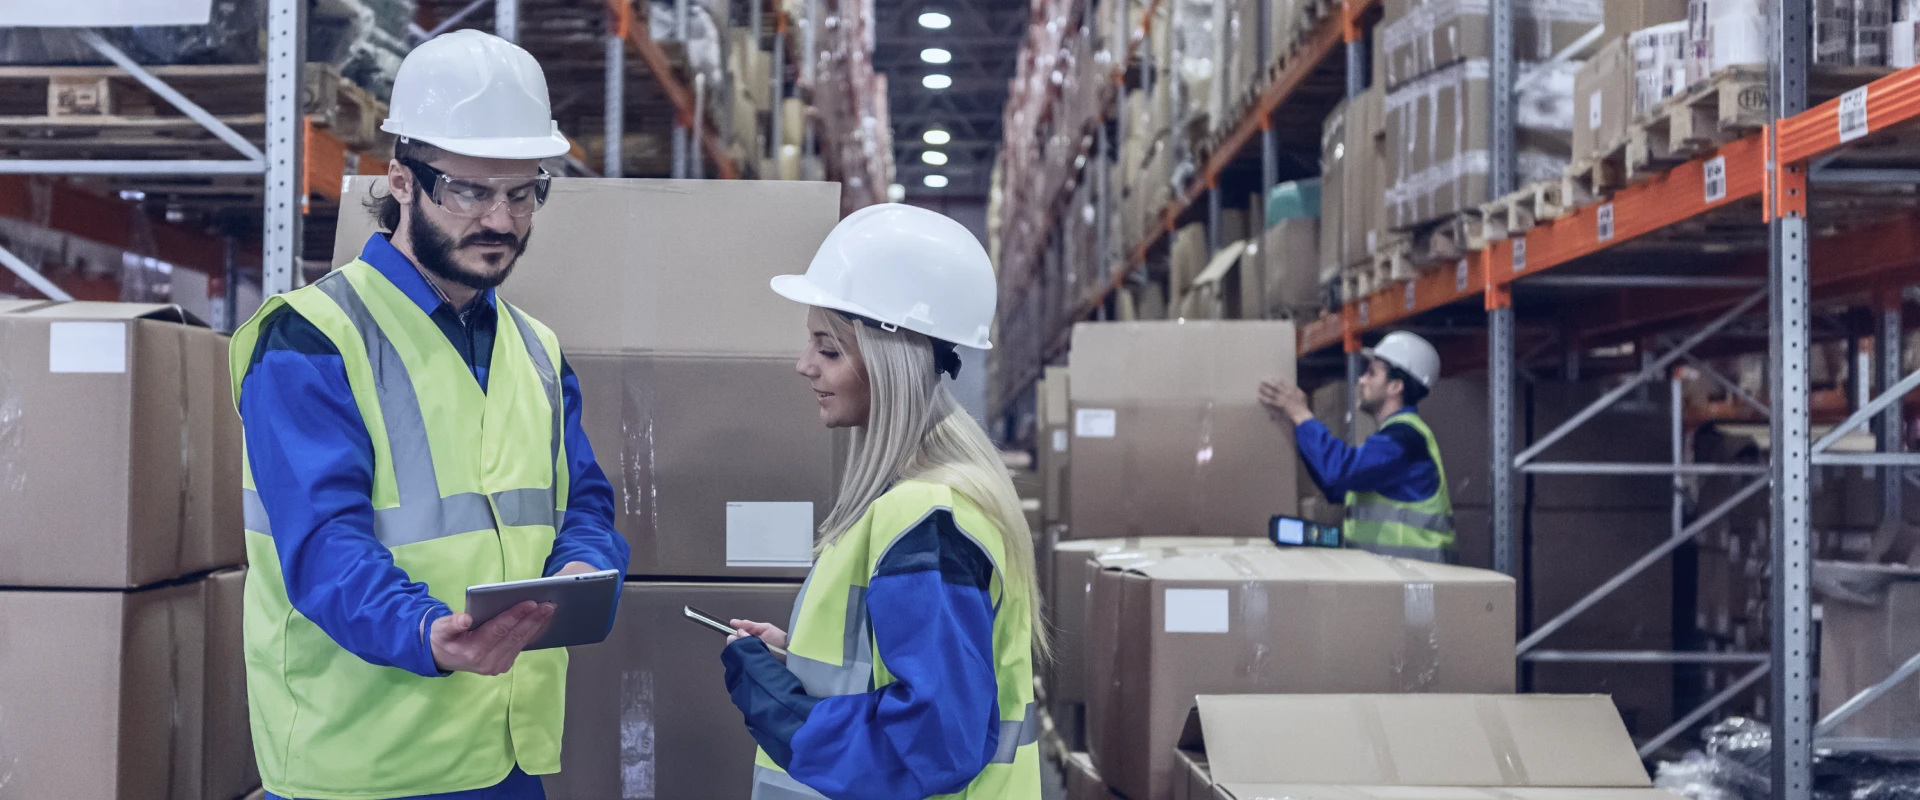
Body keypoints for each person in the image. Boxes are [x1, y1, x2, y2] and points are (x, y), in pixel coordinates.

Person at [229, 30, 630, 800]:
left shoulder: (536, 349)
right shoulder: (311, 338)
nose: (501, 221)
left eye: (522, 193)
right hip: (363, 766)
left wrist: (584, 566)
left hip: (505, 755)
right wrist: (425, 631)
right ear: (401, 180)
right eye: (469, 191)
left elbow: (582, 500)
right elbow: (322, 544)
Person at [718, 204, 1046, 800]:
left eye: (830, 348)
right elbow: (923, 678)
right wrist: (801, 660)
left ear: (890, 363)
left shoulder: (926, 521)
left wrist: (777, 703)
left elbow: (936, 743)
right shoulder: (925, 505)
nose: (804, 364)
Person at [1258, 330, 1455, 563]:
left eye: (1372, 373)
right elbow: (1336, 487)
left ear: (1395, 386)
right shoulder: (1395, 438)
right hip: (1395, 582)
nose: (1361, 380)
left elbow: (1337, 473)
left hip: (1416, 584)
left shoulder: (1404, 439)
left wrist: (1301, 414)